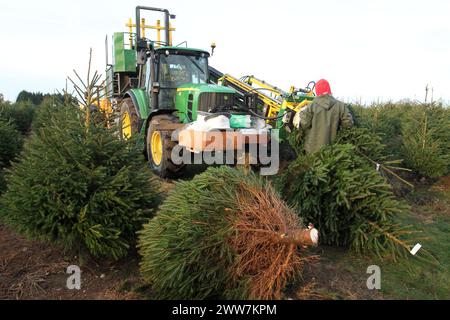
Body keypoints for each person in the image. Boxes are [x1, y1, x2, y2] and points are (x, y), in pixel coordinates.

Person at [293, 79, 353, 154]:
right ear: (329, 90)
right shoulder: (341, 106)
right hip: (333, 150)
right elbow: (348, 124)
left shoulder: (311, 106)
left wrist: (298, 115)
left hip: (312, 151)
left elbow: (303, 124)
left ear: (317, 91)